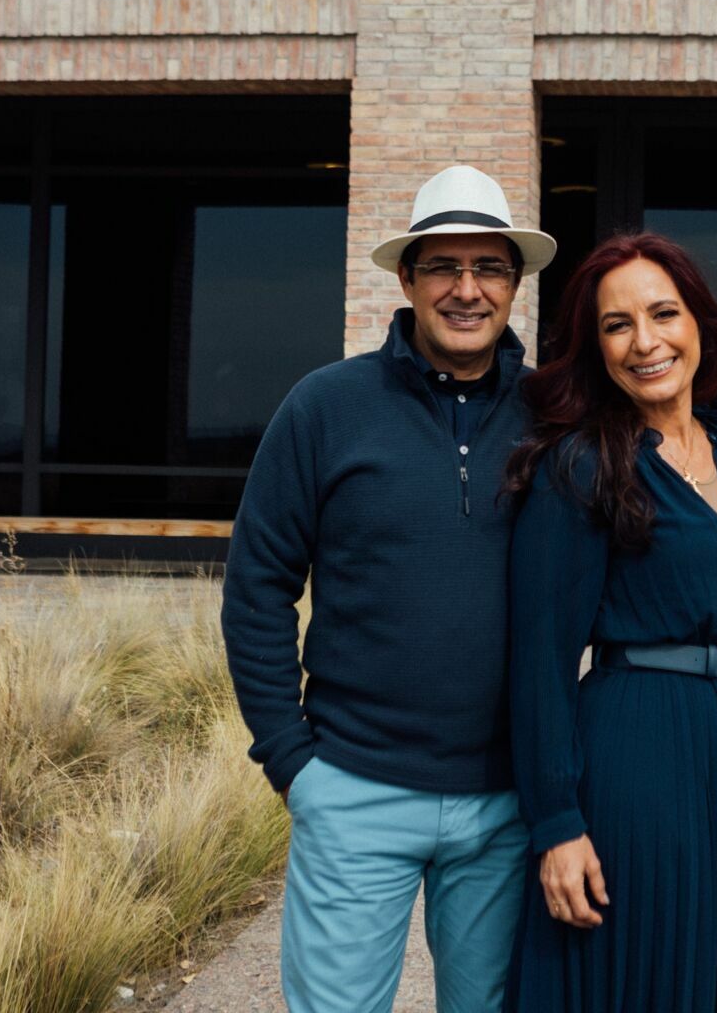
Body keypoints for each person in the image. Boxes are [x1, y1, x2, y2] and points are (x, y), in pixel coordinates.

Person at [221, 164, 556, 1013]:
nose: (467, 289)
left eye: (489, 268)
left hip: (506, 800)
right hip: (355, 787)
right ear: (407, 279)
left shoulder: (556, 415)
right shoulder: (325, 407)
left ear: (516, 284)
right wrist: (294, 764)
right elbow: (258, 586)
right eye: (444, 265)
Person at [503, 232, 717, 1013]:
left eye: (663, 314)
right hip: (638, 763)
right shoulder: (582, 464)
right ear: (595, 345)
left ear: (699, 325)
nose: (645, 342)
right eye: (617, 325)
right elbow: (540, 661)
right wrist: (556, 823)